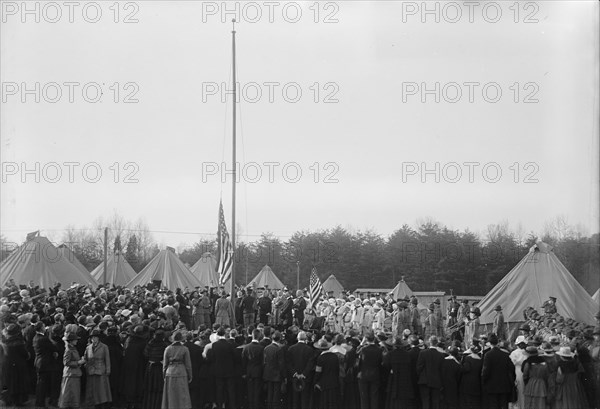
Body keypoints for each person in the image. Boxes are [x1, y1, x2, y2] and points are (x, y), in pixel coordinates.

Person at [482, 333, 515, 409]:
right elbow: (512, 368)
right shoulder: (505, 355)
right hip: (504, 385)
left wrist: (484, 382)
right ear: (497, 343)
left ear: (489, 343)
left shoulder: (488, 355)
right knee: (504, 405)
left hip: (492, 385)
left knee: (493, 405)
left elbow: (485, 371)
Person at [384, 336, 417, 409]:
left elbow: (386, 366)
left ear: (394, 346)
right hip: (405, 378)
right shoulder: (407, 354)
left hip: (393, 377)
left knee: (393, 395)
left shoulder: (389, 354)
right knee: (404, 396)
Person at [162, 331, 192, 409]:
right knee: (182, 393)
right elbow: (188, 364)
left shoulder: (168, 348)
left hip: (170, 371)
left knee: (171, 393)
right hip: (181, 370)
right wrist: (190, 375)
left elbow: (165, 364)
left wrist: (164, 374)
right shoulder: (185, 349)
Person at [207, 327, 236, 409]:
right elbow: (234, 357)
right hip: (229, 371)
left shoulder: (215, 345)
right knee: (231, 390)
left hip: (218, 371)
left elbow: (212, 358)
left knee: (219, 390)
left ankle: (220, 406)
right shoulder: (229, 344)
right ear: (225, 334)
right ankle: (232, 406)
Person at [2, 323, 30, 406]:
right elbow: (25, 354)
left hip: (6, 364)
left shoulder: (4, 340)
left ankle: (7, 399)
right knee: (18, 383)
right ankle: (18, 401)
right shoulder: (19, 342)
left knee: (7, 383)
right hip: (18, 365)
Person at [85, 329, 112, 409]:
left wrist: (108, 369)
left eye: (95, 337)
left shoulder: (104, 347)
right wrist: (86, 366)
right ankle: (93, 402)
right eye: (92, 337)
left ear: (98, 338)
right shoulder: (88, 347)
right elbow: (86, 358)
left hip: (100, 369)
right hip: (91, 370)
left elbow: (107, 359)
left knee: (101, 388)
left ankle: (101, 403)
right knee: (92, 388)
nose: (93, 339)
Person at [287, 331, 314, 409]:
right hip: (305, 378)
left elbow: (288, 363)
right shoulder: (309, 349)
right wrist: (303, 374)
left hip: (294, 378)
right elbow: (310, 364)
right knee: (304, 400)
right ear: (305, 338)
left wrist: (295, 373)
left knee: (295, 400)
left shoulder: (291, 348)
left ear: (297, 338)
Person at [142, 328, 169, 409]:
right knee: (158, 387)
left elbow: (145, 354)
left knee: (150, 386)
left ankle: (149, 405)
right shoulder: (164, 345)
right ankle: (158, 405)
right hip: (159, 367)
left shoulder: (150, 343)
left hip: (151, 367)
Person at [33, 321, 56, 408]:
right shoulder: (44, 338)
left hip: (38, 362)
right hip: (44, 363)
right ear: (41, 328)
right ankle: (41, 403)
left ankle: (39, 402)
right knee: (42, 384)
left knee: (40, 383)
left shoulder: (35, 337)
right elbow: (53, 347)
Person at [417, 335, 444, 409]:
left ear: (429, 342)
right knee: (435, 402)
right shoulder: (441, 355)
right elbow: (442, 370)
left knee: (425, 401)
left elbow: (419, 367)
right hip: (436, 380)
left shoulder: (423, 353)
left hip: (424, 380)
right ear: (436, 343)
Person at [59, 332, 85, 409]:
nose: (76, 341)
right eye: (75, 340)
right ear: (71, 341)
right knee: (69, 392)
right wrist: (78, 362)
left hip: (74, 373)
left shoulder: (73, 348)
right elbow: (66, 362)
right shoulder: (68, 350)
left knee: (74, 392)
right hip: (70, 374)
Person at [358, 331, 383, 409]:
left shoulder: (363, 350)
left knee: (364, 396)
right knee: (374, 396)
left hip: (364, 374)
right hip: (375, 374)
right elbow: (381, 362)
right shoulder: (379, 350)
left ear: (366, 339)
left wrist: (361, 344)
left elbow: (358, 360)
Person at [313, 337, 340, 409]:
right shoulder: (335, 356)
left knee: (324, 402)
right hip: (334, 382)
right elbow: (337, 369)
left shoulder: (320, 358)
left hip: (324, 383)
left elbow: (318, 372)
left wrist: (315, 381)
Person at [242, 329, 265, 409]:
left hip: (249, 372)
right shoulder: (261, 348)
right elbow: (263, 362)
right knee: (257, 391)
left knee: (250, 391)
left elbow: (243, 361)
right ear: (259, 336)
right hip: (258, 372)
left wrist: (244, 372)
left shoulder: (246, 347)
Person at [263, 330, 286, 409]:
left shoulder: (266, 348)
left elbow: (264, 361)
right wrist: (284, 376)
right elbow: (281, 364)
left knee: (269, 392)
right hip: (276, 374)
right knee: (276, 393)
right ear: (279, 339)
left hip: (268, 373)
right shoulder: (279, 349)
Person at [510, 335, 529, 409]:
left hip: (517, 372)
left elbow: (511, 363)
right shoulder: (527, 352)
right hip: (523, 372)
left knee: (519, 390)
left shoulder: (514, 353)